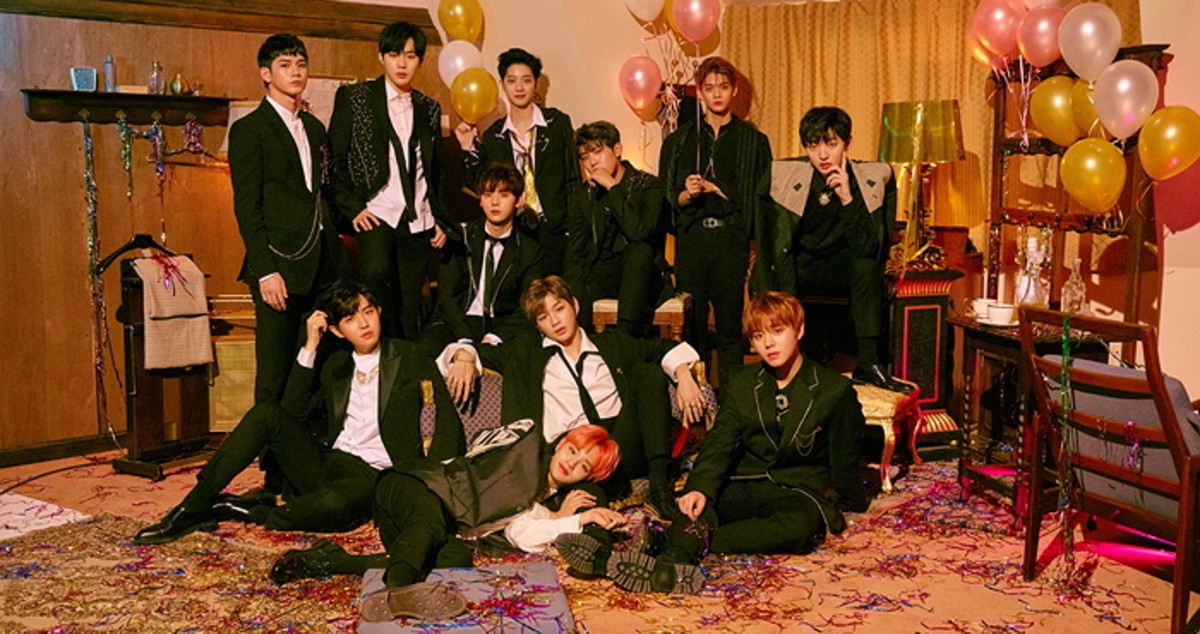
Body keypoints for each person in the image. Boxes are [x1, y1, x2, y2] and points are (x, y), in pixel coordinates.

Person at [563, 292, 870, 594]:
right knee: (697, 508)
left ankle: (669, 542)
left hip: (796, 488)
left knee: (798, 528)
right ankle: (670, 565)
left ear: (799, 330)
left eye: (777, 331)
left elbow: (843, 455)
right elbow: (720, 442)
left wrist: (850, 502)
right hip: (746, 478)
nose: (768, 343)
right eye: (759, 335)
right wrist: (699, 487)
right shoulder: (742, 381)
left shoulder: (833, 390)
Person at [131, 280, 464, 545]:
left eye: (367, 312)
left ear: (378, 311)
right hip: (329, 461)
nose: (363, 323)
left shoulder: (409, 355)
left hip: (374, 473)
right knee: (265, 414)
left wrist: (435, 480)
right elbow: (291, 413)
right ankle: (192, 507)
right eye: (350, 319)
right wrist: (310, 347)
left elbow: (447, 418)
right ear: (337, 330)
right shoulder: (336, 365)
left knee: (333, 506)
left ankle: (244, 511)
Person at [269, 423, 625, 623]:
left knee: (454, 557)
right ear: (561, 443)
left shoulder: (537, 505)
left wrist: (571, 519)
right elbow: (488, 449)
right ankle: (397, 588)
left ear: (585, 478)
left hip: (416, 529)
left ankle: (329, 560)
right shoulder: (525, 451)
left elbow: (524, 535)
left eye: (583, 466)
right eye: (573, 451)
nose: (572, 463)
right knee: (429, 522)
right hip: (414, 486)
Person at [439, 276, 706, 514]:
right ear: (538, 325)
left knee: (648, 373)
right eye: (543, 317)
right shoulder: (525, 354)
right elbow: (472, 351)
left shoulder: (612, 344)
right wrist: (463, 357)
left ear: (575, 306)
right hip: (570, 456)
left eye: (559, 309)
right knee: (588, 502)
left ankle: (659, 487)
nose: (555, 321)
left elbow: (664, 348)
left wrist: (683, 375)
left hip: (618, 446)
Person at [229, 33, 347, 405]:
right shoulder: (249, 130)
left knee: (316, 364)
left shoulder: (314, 127)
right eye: (285, 65)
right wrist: (266, 270)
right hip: (279, 266)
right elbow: (247, 208)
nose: (296, 72)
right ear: (265, 74)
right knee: (275, 370)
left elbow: (325, 193)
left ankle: (306, 438)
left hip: (323, 264)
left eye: (301, 64)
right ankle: (269, 442)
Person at [328, 21, 448, 339]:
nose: (402, 64)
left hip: (417, 219)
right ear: (381, 57)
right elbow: (334, 159)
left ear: (421, 60)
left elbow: (434, 171)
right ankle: (377, 363)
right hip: (375, 213)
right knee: (375, 294)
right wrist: (353, 207)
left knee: (412, 307)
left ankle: (406, 366)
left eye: (410, 56)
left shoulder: (429, 108)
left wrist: (440, 219)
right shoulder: (355, 98)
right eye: (394, 55)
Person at [766, 107, 898, 389]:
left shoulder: (864, 179)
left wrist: (848, 198)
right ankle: (792, 366)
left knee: (865, 267)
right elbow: (777, 241)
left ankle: (869, 363)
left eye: (831, 144)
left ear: (847, 143)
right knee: (785, 273)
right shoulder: (791, 178)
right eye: (814, 146)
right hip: (804, 265)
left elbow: (867, 249)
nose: (823, 155)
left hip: (843, 264)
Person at [659, 56, 772, 386]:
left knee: (729, 329)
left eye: (723, 86)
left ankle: (733, 402)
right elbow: (667, 199)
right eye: (709, 88)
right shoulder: (679, 141)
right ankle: (696, 401)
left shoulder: (754, 141)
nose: (717, 94)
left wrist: (719, 190)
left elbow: (760, 200)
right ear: (700, 92)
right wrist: (687, 194)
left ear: (734, 90)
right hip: (692, 240)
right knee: (692, 327)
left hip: (730, 241)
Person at [454, 48, 577, 274]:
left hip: (555, 228)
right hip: (514, 229)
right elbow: (483, 185)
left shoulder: (557, 123)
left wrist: (572, 226)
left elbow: (572, 176)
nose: (519, 88)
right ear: (502, 84)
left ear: (536, 83)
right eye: (511, 81)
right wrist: (468, 148)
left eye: (526, 80)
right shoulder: (495, 135)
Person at [419, 163, 542, 352]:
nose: (495, 202)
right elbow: (447, 298)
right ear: (480, 199)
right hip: (457, 323)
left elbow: (526, 305)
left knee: (526, 347)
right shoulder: (461, 238)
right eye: (488, 194)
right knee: (422, 351)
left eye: (504, 195)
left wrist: (494, 337)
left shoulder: (529, 250)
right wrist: (464, 338)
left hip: (501, 326)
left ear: (518, 200)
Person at [564, 121, 670, 336]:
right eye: (585, 157)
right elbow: (576, 250)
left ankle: (623, 337)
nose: (592, 162)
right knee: (582, 280)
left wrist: (613, 188)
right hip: (606, 273)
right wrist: (570, 294)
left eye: (598, 152)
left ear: (617, 150)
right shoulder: (583, 194)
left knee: (639, 250)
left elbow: (639, 233)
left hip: (644, 275)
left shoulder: (648, 185)